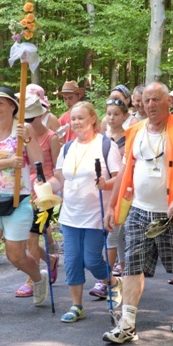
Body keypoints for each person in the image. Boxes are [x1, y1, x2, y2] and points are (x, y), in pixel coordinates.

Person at [103, 82, 173, 343]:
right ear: (140, 103)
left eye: (156, 99)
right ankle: (128, 322)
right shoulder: (134, 131)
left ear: (169, 102)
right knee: (132, 264)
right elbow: (123, 172)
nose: (151, 104)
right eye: (146, 100)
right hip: (138, 210)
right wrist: (112, 206)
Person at [0, 87, 49, 320]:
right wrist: (7, 161)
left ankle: (38, 278)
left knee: (16, 256)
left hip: (19, 197)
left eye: (0, 103)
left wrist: (28, 138)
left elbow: (38, 161)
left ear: (13, 106)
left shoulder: (24, 128)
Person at [46, 102, 123, 323]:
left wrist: (106, 183)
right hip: (70, 214)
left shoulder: (106, 145)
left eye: (80, 118)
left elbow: (119, 177)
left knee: (92, 260)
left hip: (95, 214)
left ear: (92, 119)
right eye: (73, 119)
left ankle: (115, 283)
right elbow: (59, 178)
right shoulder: (67, 148)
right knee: (71, 261)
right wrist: (43, 188)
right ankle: (76, 306)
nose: (76, 122)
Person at [14, 90, 62, 297]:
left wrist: (50, 187)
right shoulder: (20, 136)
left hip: (43, 192)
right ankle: (49, 260)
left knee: (32, 237)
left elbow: (58, 168)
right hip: (23, 189)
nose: (27, 123)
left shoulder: (51, 138)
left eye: (31, 119)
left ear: (40, 116)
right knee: (25, 239)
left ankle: (31, 281)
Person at [103, 98, 129, 280]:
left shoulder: (128, 138)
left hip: (120, 191)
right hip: (102, 192)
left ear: (125, 116)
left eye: (116, 114)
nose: (112, 118)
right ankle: (125, 270)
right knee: (118, 235)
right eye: (109, 114)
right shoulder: (99, 138)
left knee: (114, 232)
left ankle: (105, 276)